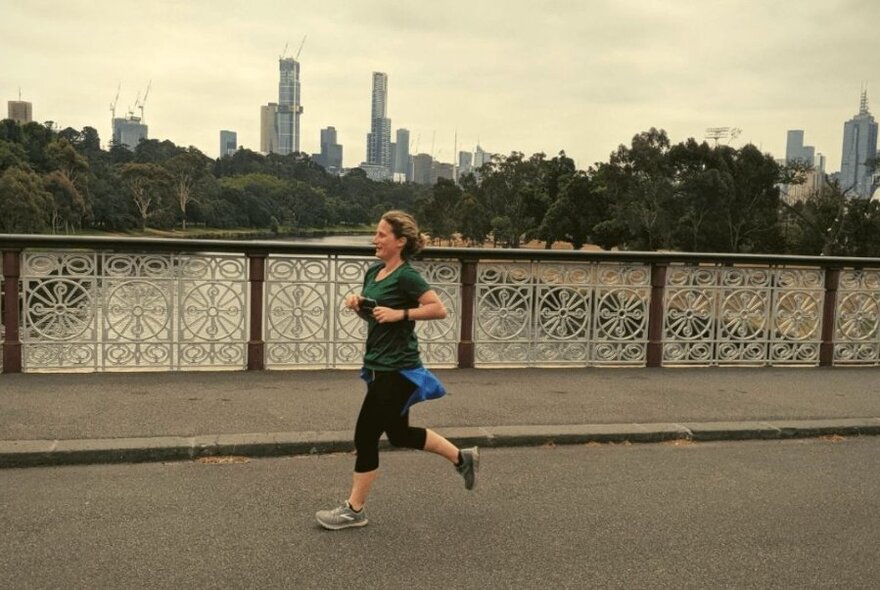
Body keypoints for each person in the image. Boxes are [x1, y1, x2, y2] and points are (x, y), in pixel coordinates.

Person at [316, 210, 479, 530]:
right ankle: (463, 458)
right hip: (378, 365)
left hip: (398, 370)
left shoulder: (407, 276)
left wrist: (400, 314)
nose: (374, 239)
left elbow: (438, 309)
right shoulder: (374, 271)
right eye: (375, 234)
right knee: (400, 433)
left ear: (400, 242)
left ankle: (355, 509)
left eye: (381, 235)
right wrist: (360, 305)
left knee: (365, 436)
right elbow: (378, 316)